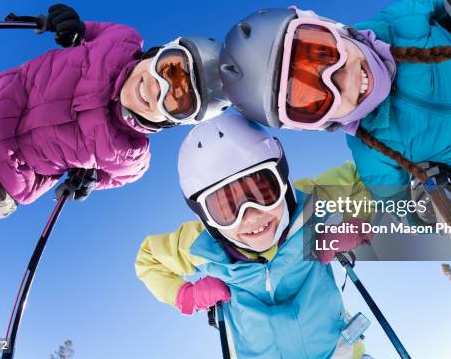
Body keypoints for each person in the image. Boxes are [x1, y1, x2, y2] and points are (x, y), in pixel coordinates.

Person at [217, 0, 451, 259]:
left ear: (330, 27)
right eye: (311, 98)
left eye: (321, 53)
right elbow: (405, 214)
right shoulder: (373, 154)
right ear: (315, 124)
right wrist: (427, 205)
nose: (342, 80)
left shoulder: (401, 21)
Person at [0, 4, 229, 244]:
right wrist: (69, 25)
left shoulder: (131, 156)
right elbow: (86, 30)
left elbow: (110, 178)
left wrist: (88, 180)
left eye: (176, 101)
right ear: (158, 51)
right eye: (170, 68)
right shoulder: (121, 39)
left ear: (170, 122)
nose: (157, 88)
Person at [135, 114, 373, 359]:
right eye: (226, 208)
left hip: (339, 352)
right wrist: (186, 295)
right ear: (207, 218)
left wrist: (357, 225)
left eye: (262, 192)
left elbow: (368, 179)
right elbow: (149, 259)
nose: (250, 216)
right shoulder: (201, 246)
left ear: (283, 180)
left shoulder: (309, 204)